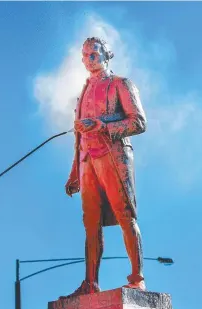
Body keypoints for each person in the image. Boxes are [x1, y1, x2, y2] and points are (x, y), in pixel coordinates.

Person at [65, 37, 147, 294]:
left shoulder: (121, 84)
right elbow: (77, 138)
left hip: (114, 155)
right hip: (87, 161)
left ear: (106, 55)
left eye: (94, 54)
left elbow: (139, 122)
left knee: (125, 214)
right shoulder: (83, 93)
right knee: (90, 222)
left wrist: (104, 126)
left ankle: (137, 278)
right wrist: (74, 174)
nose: (89, 59)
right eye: (85, 55)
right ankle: (90, 283)